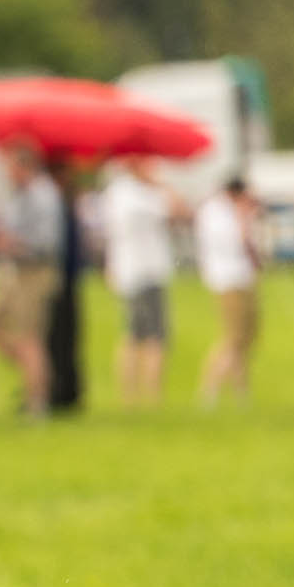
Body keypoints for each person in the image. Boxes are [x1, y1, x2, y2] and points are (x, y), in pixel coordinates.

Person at [0, 143, 64, 416]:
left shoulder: (43, 196)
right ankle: (36, 380)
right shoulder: (20, 195)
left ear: (23, 166)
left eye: (9, 167)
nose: (5, 173)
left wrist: (11, 243)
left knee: (29, 338)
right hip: (15, 272)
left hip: (34, 273)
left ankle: (37, 401)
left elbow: (45, 243)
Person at [99, 157, 177, 406]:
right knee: (149, 335)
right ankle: (148, 395)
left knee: (136, 334)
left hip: (134, 272)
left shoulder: (116, 193)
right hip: (143, 272)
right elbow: (175, 209)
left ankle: (134, 395)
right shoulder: (133, 194)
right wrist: (160, 185)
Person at [196, 175, 261, 406]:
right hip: (227, 280)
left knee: (247, 337)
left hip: (243, 277)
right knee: (233, 337)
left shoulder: (228, 210)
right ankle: (209, 388)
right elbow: (236, 242)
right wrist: (243, 217)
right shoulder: (215, 213)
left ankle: (240, 389)